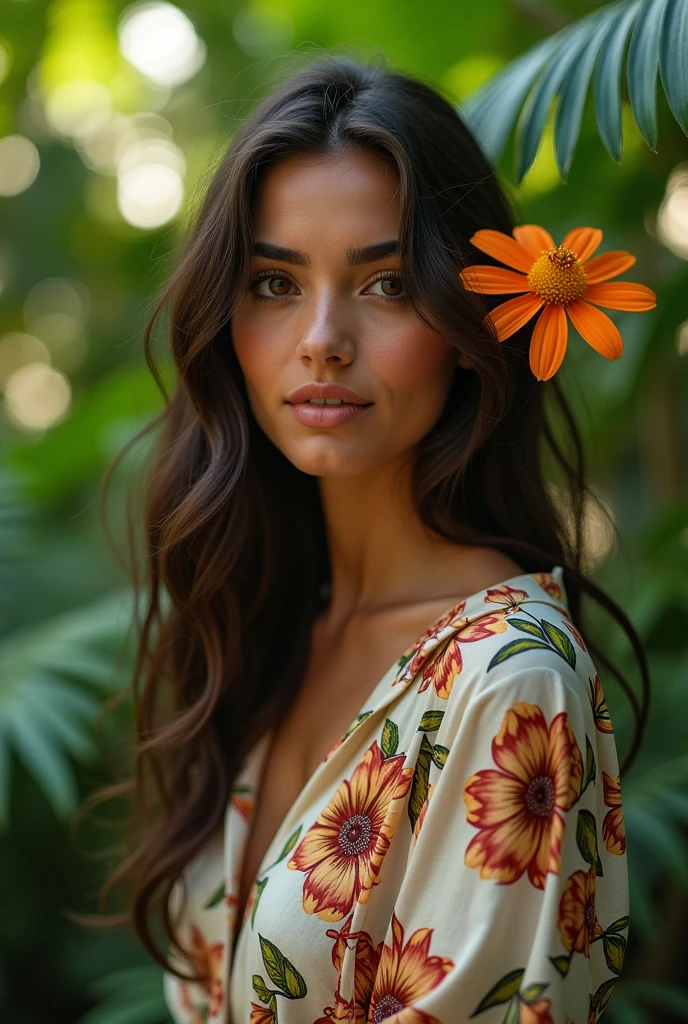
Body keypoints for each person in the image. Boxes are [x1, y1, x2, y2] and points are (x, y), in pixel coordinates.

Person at [83, 55, 651, 1024]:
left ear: (469, 317)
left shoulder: (506, 679)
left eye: (384, 282)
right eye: (273, 281)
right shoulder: (276, 634)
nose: (320, 338)